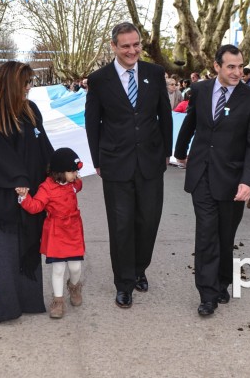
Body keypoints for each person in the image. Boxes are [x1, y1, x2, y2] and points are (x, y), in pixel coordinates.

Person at [173, 45, 250, 316]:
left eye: (240, 67)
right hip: (201, 173)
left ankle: (223, 279)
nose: (238, 72)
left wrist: (249, 181)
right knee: (206, 234)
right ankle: (207, 293)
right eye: (231, 67)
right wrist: (180, 153)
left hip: (232, 178)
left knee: (225, 235)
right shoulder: (200, 91)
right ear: (217, 66)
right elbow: (190, 123)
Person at [85, 22, 173, 308]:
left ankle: (139, 269)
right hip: (115, 163)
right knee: (121, 225)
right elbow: (92, 123)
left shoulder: (154, 73)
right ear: (113, 46)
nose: (132, 50)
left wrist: (167, 153)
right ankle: (123, 283)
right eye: (125, 46)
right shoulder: (99, 80)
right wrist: (97, 160)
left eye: (136, 45)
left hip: (150, 161)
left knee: (148, 222)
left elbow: (165, 115)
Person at [0, 61, 53, 325]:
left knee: (28, 240)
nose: (29, 87)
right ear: (12, 83)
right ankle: (4, 306)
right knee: (2, 248)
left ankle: (28, 299)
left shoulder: (31, 110)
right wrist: (18, 178)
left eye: (30, 82)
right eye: (25, 83)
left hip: (30, 190)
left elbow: (43, 146)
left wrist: (59, 170)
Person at [17, 147, 86, 319]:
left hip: (73, 229)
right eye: (72, 171)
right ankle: (58, 300)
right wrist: (24, 197)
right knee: (58, 268)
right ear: (60, 172)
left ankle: (74, 285)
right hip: (56, 231)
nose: (76, 174)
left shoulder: (73, 183)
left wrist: (77, 179)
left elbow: (79, 185)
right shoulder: (46, 188)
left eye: (76, 171)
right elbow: (36, 207)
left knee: (75, 266)